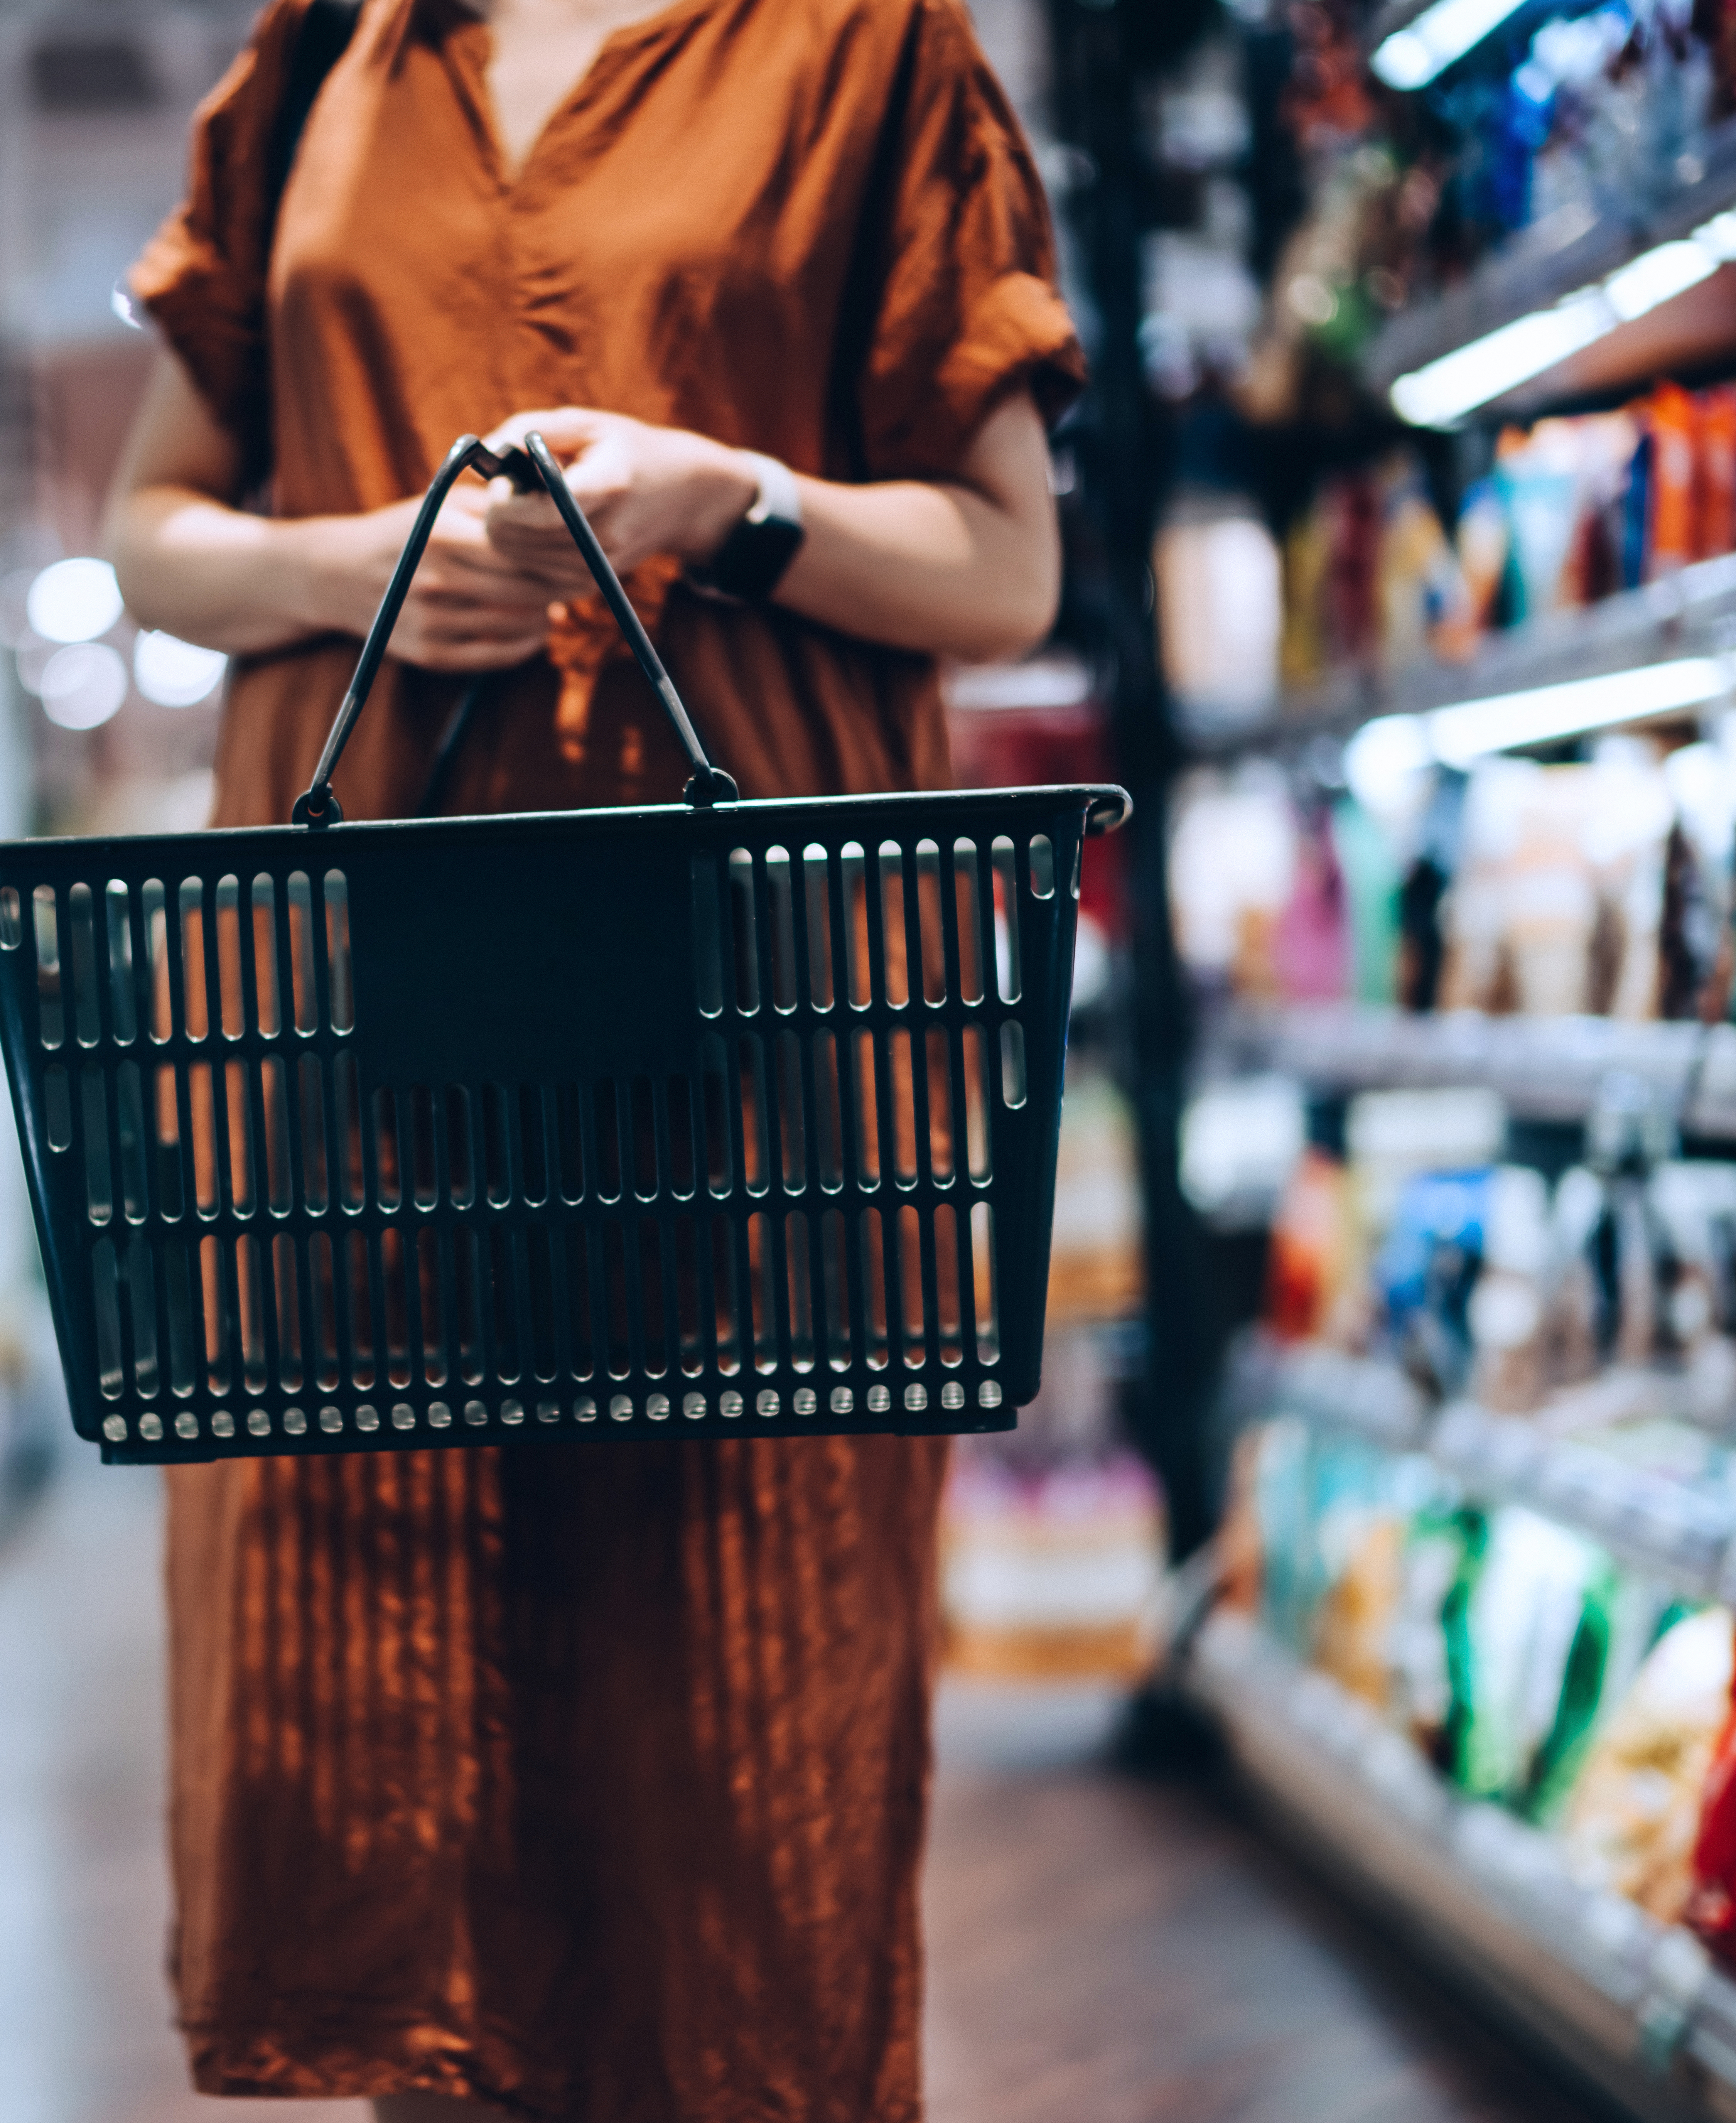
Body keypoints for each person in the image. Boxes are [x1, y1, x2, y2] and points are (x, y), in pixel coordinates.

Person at [102, 0, 1081, 2106]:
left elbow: (1008, 569)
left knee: (743, 1736)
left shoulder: (863, 54)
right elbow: (152, 531)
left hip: (767, 1048)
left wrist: (727, 498)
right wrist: (361, 564)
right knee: (398, 1714)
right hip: (362, 1032)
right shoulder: (322, 64)